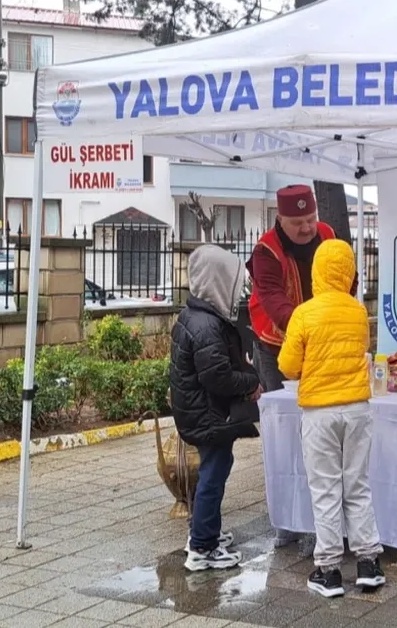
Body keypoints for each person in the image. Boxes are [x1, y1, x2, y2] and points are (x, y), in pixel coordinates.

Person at [278, 239, 385, 598]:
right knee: (358, 485)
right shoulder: (358, 311)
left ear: (316, 272)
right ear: (349, 271)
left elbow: (288, 366)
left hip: (320, 412)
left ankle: (329, 571)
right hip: (357, 408)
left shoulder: (304, 313)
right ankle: (368, 564)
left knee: (326, 490)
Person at [246, 183, 345, 547]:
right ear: (280, 220)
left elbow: (344, 280)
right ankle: (288, 520)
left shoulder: (328, 236)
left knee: (325, 429)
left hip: (322, 346)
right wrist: (312, 327)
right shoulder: (265, 251)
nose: (307, 228)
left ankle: (328, 513)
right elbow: (274, 301)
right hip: (277, 347)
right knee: (286, 431)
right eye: (297, 222)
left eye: (311, 219)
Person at [170, 245, 262, 572]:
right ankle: (202, 547)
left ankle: (203, 530)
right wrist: (250, 383)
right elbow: (217, 376)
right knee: (213, 474)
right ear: (217, 282)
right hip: (208, 415)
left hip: (199, 412)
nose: (238, 290)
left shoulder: (196, 317)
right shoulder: (207, 325)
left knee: (214, 469)